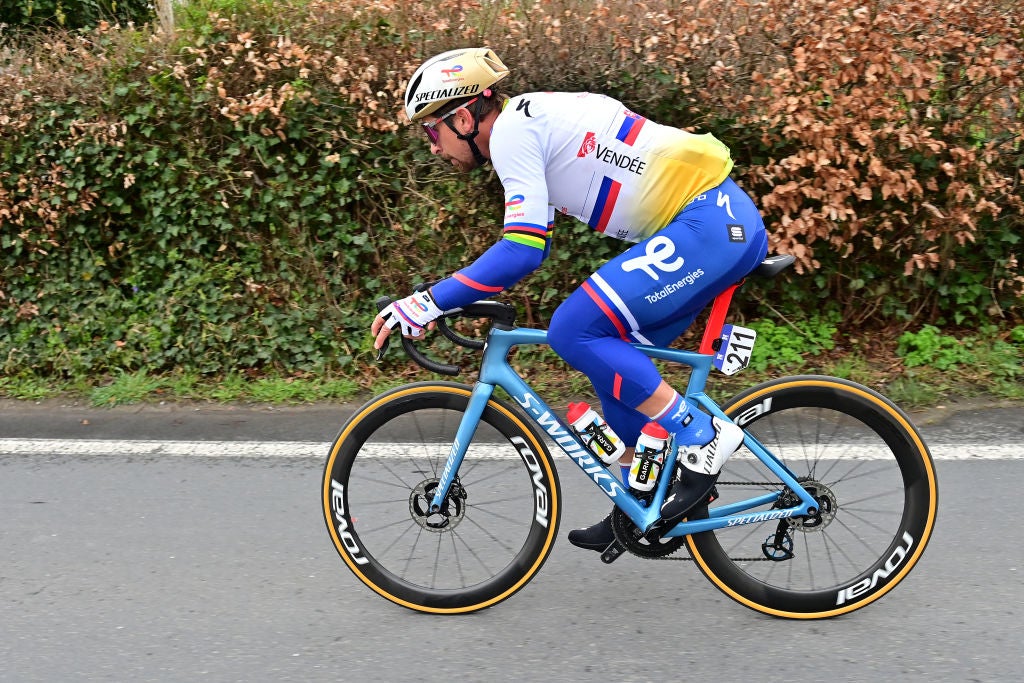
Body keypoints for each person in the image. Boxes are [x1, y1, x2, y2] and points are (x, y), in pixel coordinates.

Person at [372, 47, 769, 553]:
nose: (433, 147)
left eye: (433, 131)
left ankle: (700, 435)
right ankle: (640, 505)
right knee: (612, 368)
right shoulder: (534, 121)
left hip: (709, 224)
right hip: (709, 225)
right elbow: (528, 240)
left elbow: (521, 249)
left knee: (572, 329)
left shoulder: (514, 130)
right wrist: (458, 294)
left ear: (465, 116)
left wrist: (427, 302)